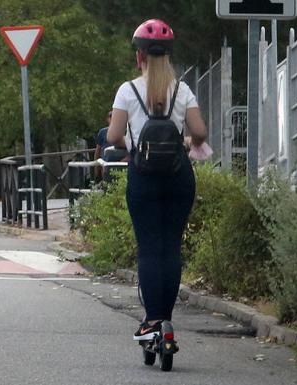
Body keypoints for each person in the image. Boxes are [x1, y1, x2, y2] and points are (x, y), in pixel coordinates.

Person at [106, 19, 211, 341]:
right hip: (179, 178)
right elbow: (201, 132)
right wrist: (188, 145)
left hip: (144, 178)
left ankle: (152, 322)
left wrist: (133, 144)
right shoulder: (183, 90)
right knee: (171, 248)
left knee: (149, 249)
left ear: (140, 56)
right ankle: (165, 321)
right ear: (168, 57)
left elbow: (113, 136)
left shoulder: (128, 90)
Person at [94, 110, 112, 181]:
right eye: (111, 117)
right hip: (105, 161)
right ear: (108, 119)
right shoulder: (102, 132)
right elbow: (98, 150)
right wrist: (96, 167)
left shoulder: (124, 131)